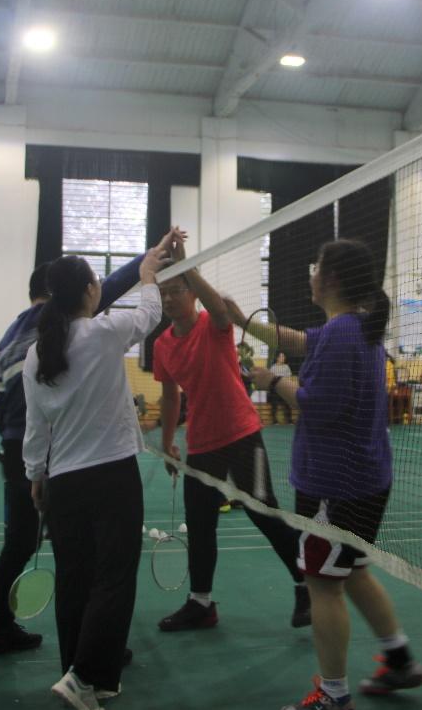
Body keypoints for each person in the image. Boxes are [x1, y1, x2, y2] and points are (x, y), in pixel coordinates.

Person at [241, 239, 422, 710]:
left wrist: (271, 381)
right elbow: (299, 341)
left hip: (335, 487)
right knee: (355, 571)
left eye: (316, 267)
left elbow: (317, 405)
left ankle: (332, 696)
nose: (311, 275)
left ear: (332, 278)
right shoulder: (354, 326)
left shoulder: (343, 332)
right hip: (365, 479)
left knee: (323, 584)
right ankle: (400, 659)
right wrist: (242, 320)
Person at [23, 236, 173, 710]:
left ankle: (90, 677)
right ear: (91, 291)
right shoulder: (105, 332)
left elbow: (36, 427)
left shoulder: (36, 354)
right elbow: (150, 314)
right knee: (114, 577)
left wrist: (36, 476)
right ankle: (85, 675)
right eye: (97, 283)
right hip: (112, 476)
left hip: (64, 482)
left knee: (75, 580)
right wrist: (147, 276)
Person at [0, 248, 146, 659]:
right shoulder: (56, 325)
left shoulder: (9, 336)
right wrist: (152, 257)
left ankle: (0, 628)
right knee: (87, 560)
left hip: (19, 452)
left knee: (21, 545)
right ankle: (95, 650)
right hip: (59, 454)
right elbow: (115, 285)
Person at [153, 245, 309, 634]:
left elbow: (222, 309)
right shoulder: (162, 345)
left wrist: (188, 265)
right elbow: (170, 396)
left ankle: (306, 583)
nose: (169, 299)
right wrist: (168, 443)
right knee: (199, 523)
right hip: (201, 444)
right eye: (163, 293)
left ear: (192, 291)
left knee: (264, 512)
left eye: (176, 290)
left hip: (242, 436)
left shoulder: (213, 325)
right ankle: (201, 603)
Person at [269, 351, 293, 424]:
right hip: (275, 389)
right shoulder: (273, 367)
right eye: (281, 356)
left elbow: (288, 378)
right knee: (274, 404)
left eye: (284, 356)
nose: (283, 358)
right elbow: (271, 379)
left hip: (284, 389)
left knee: (287, 404)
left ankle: (289, 421)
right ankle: (274, 421)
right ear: (277, 358)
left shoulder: (286, 367)